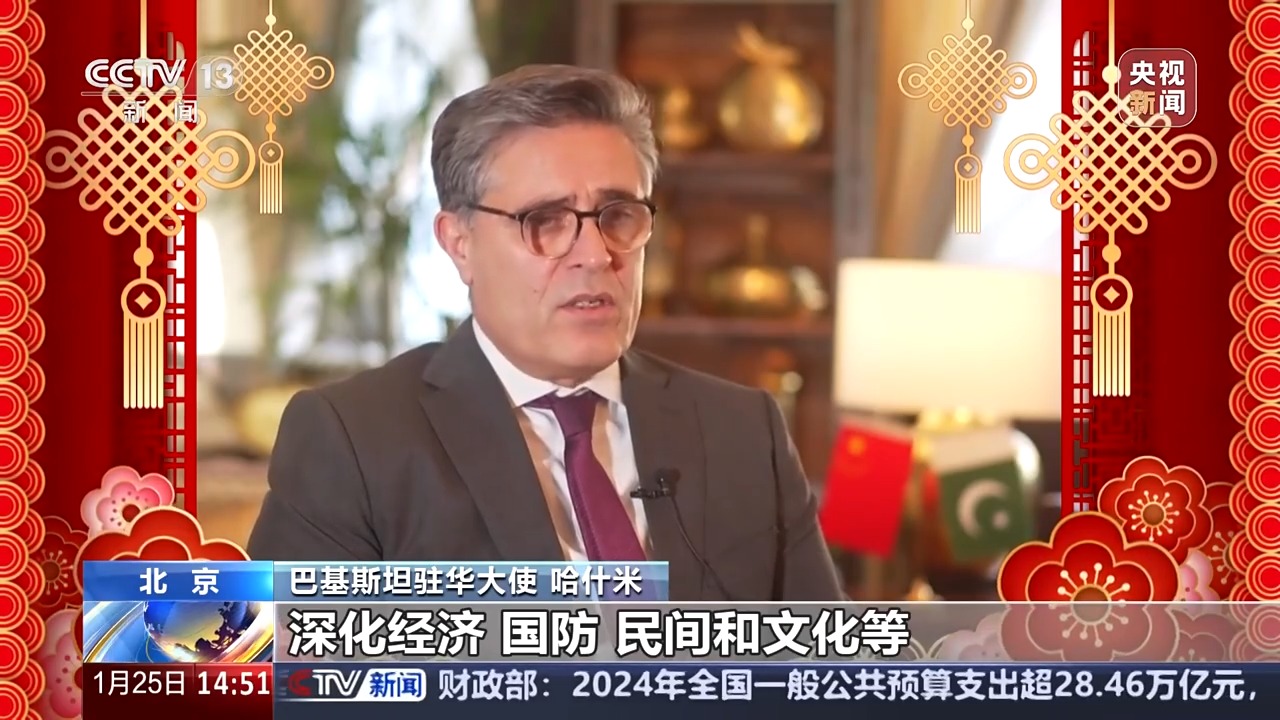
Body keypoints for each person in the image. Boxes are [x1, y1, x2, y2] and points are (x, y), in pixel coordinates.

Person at [247, 64, 842, 601]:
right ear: (459, 244)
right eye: (545, 221)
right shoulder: (353, 440)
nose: (596, 254)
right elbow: (260, 665)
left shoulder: (743, 431)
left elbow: (825, 665)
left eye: (618, 216)